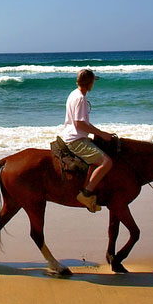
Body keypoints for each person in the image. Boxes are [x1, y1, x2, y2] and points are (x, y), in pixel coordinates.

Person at [62, 68, 115, 212]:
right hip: (76, 140)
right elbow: (80, 124)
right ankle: (86, 193)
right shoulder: (80, 98)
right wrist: (102, 134)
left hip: (73, 135)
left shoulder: (74, 93)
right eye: (93, 82)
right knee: (106, 162)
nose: (93, 84)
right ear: (89, 83)